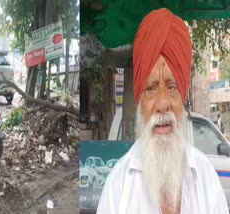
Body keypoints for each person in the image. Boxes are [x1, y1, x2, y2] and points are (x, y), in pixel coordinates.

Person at [97, 8, 228, 214]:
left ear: (183, 95)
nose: (162, 104)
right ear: (140, 99)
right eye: (150, 89)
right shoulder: (118, 187)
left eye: (172, 87)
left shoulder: (206, 178)